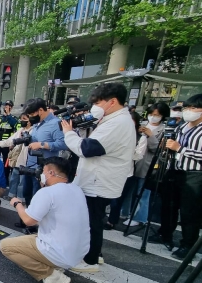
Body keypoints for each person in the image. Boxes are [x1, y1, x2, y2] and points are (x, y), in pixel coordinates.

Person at [61, 83, 136, 272]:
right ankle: (95, 254)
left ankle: (90, 260)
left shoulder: (118, 123)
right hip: (99, 179)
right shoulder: (114, 119)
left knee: (91, 221)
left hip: (99, 182)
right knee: (94, 219)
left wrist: (68, 134)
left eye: (98, 102)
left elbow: (87, 148)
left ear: (112, 101)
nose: (95, 106)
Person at [1, 157, 90, 283]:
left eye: (43, 171)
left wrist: (17, 204)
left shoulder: (47, 193)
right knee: (34, 237)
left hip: (60, 253)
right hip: (79, 253)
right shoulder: (77, 189)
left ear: (51, 173)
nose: (41, 174)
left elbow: (28, 221)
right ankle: (55, 266)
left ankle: (51, 276)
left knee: (6, 246)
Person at [155, 94, 202, 259]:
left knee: (189, 211)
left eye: (193, 108)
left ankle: (187, 244)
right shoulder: (182, 126)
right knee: (168, 205)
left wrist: (180, 149)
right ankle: (165, 233)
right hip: (174, 169)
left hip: (194, 174)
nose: (189, 111)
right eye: (187, 108)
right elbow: (172, 145)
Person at [125, 103, 169, 227]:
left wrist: (150, 135)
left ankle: (139, 217)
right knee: (130, 191)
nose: (153, 117)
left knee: (143, 193)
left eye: (157, 115)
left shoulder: (164, 130)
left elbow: (158, 149)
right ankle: (126, 212)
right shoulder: (142, 125)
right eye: (151, 114)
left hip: (148, 167)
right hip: (133, 164)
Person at [23, 98, 67, 207]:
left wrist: (41, 145)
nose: (30, 118)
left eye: (32, 114)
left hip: (44, 168)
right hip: (30, 165)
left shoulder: (56, 123)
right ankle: (28, 217)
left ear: (40, 111)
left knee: (38, 196)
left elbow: (63, 144)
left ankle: (36, 221)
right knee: (26, 193)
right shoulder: (37, 123)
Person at [106, 110, 144, 230]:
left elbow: (138, 155)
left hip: (126, 173)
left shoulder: (141, 138)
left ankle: (112, 221)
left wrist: (125, 151)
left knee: (117, 200)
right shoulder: (115, 134)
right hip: (109, 170)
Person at [0, 112, 32, 201]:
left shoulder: (33, 131)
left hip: (25, 159)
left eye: (24, 119)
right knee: (14, 178)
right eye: (21, 119)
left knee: (22, 181)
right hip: (17, 158)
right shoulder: (20, 130)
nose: (22, 121)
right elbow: (10, 140)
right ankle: (11, 195)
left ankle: (21, 198)